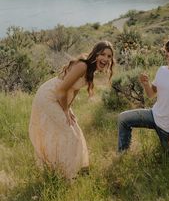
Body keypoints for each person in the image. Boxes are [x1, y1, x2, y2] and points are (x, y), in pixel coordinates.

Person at [29, 41, 114, 180]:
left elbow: (74, 90)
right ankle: (66, 175)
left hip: (59, 97)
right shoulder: (83, 66)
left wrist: (68, 108)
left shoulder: (91, 69)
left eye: (109, 56)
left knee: (75, 131)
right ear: (95, 54)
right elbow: (61, 90)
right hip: (49, 96)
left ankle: (69, 170)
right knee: (69, 134)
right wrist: (65, 111)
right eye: (102, 54)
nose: (105, 59)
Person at [118, 38, 169, 159]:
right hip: (154, 115)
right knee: (123, 119)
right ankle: (122, 155)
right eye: (167, 51)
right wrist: (145, 83)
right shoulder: (161, 70)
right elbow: (151, 94)